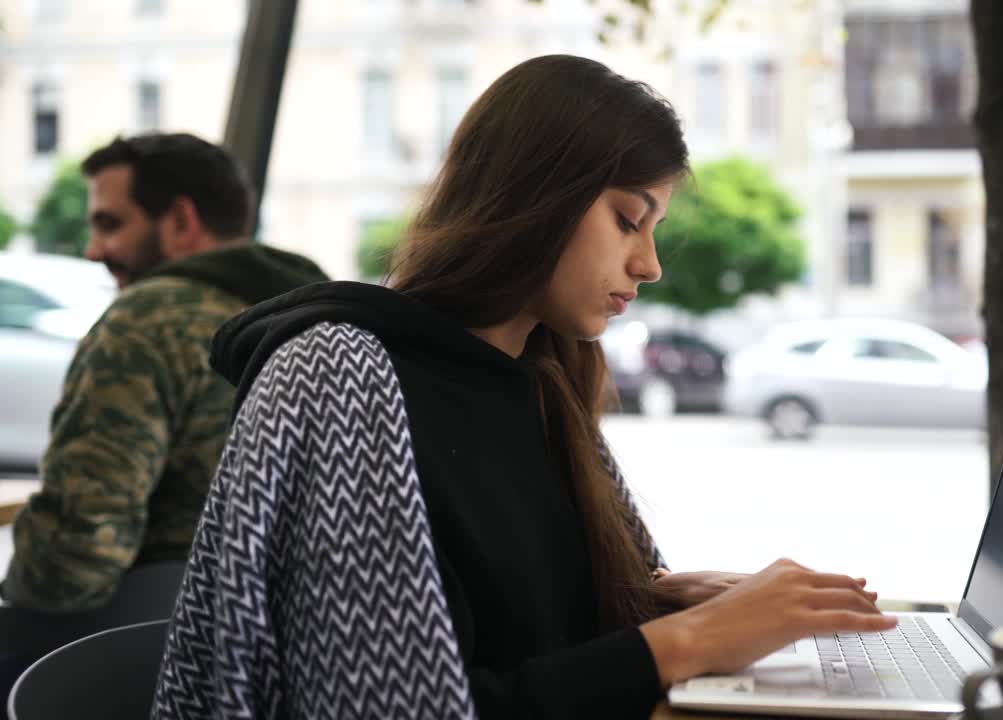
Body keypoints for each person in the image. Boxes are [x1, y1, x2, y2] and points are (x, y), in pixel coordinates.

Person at [152, 56, 894, 719]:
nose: (650, 265)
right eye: (630, 220)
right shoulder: (345, 375)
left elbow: (522, 628)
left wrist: (658, 598)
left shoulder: (540, 375)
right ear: (537, 196)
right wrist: (685, 641)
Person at [0, 133, 329, 611]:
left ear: (179, 221)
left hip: (156, 641)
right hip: (295, 636)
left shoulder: (148, 321)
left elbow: (74, 560)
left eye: (110, 225)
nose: (93, 250)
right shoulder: (321, 312)